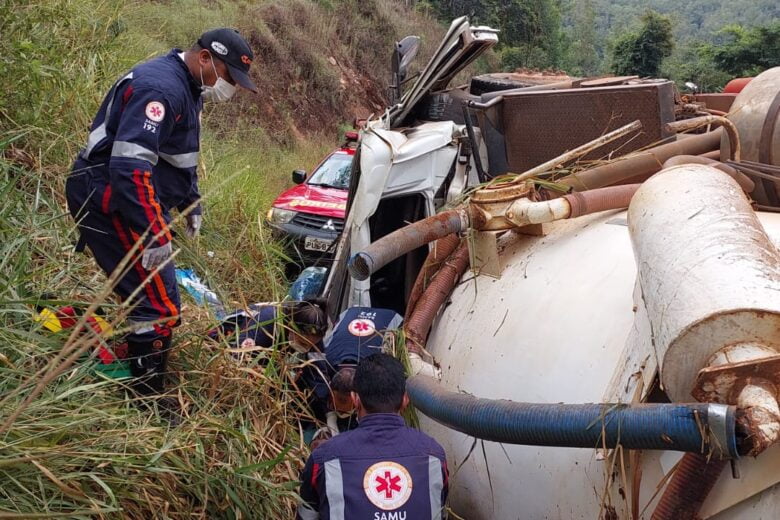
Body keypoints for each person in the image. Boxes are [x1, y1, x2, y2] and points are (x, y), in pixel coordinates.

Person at [65, 28, 258, 397]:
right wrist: (154, 233)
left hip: (131, 201)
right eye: (228, 76)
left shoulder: (188, 86)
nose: (229, 86)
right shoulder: (162, 90)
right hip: (111, 200)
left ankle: (132, 367)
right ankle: (145, 399)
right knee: (158, 306)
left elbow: (178, 155)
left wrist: (190, 200)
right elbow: (129, 169)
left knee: (154, 297)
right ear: (205, 58)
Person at [297, 353, 449, 520]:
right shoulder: (434, 456)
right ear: (405, 399)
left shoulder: (324, 459)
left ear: (355, 399)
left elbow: (306, 516)